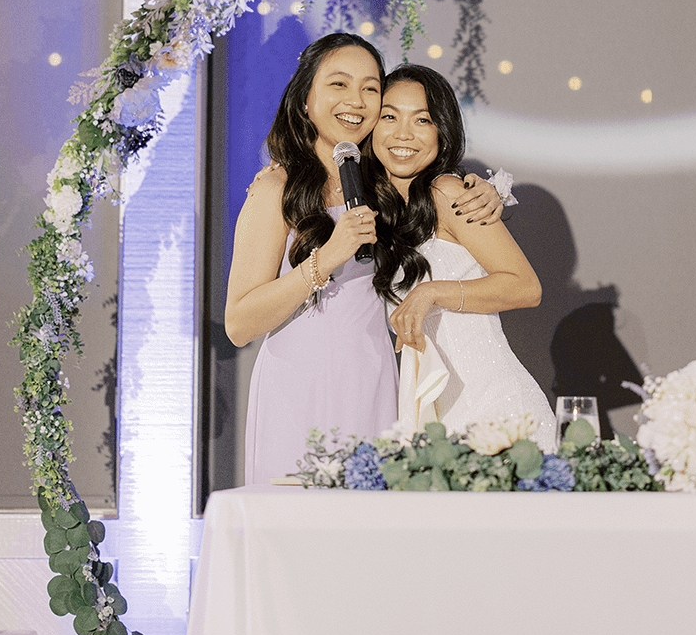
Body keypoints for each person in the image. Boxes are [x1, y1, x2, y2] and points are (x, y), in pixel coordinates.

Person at [226, 35, 505, 483]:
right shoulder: (276, 189)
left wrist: (484, 190)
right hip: (299, 385)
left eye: (370, 88)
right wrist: (325, 258)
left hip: (376, 381)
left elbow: (440, 193)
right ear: (305, 99)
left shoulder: (386, 184)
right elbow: (239, 324)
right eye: (339, 84)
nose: (355, 100)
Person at [369, 64, 555, 450]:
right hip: (437, 418)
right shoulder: (378, 211)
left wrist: (432, 292)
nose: (403, 133)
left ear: (443, 130)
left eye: (422, 120)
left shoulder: (448, 192)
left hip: (497, 412)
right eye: (389, 116)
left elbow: (525, 287)